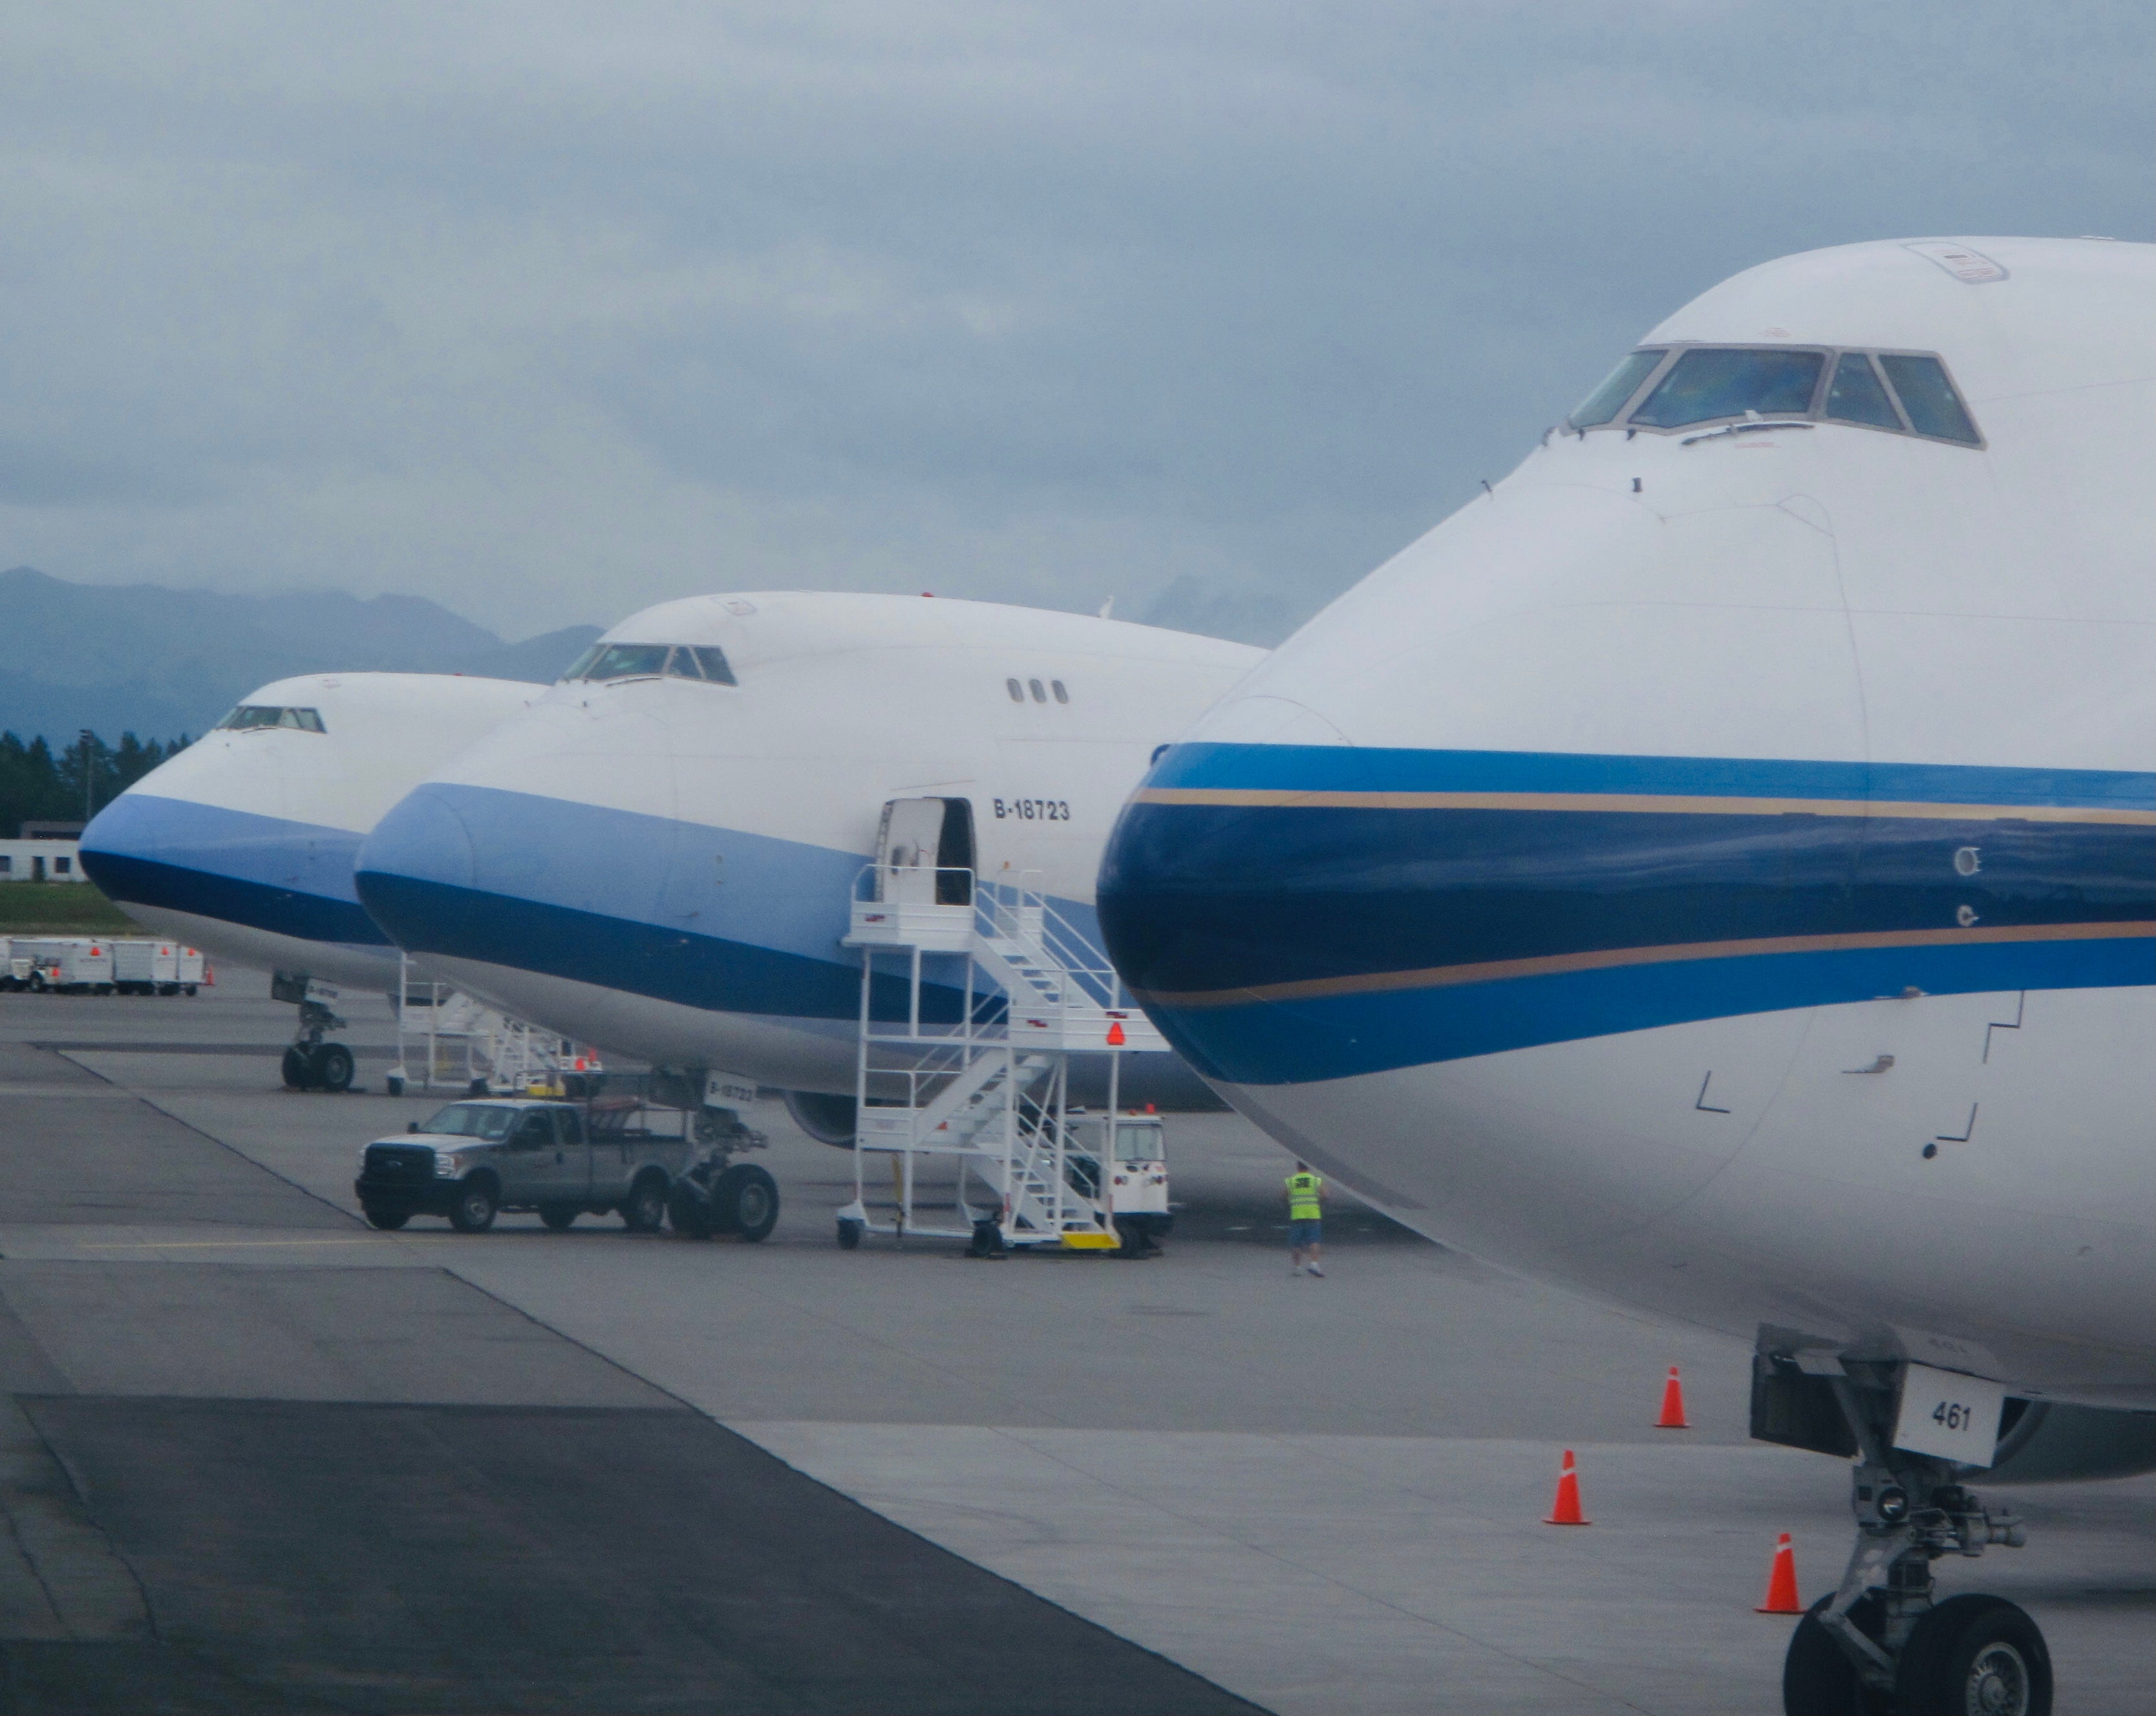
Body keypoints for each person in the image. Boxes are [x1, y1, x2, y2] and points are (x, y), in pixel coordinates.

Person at [1285, 1160, 1325, 1276]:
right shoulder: (1315, 1180)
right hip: (1313, 1215)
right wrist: (1318, 1203)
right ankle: (1314, 1263)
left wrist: (1289, 1203)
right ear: (1309, 1167)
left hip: (1297, 1215)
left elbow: (1284, 1195)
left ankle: (1297, 1267)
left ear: (1298, 1167)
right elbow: (1325, 1195)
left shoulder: (1292, 1180)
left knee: (1296, 1243)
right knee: (1314, 1241)